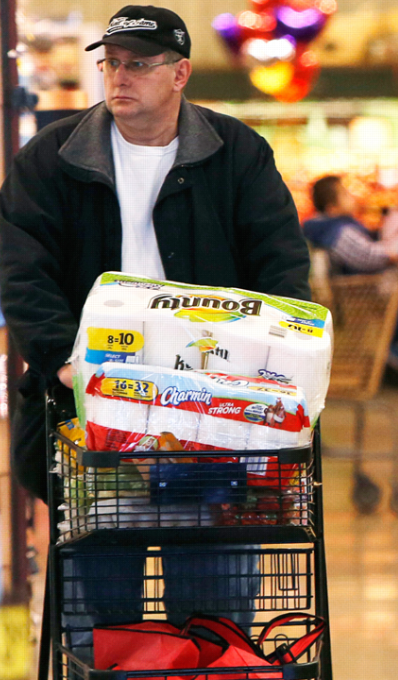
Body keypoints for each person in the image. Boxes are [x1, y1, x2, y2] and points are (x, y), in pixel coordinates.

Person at [0, 5, 308, 658]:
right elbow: (19, 269)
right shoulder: (49, 161)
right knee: (102, 622)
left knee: (214, 616)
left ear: (181, 74)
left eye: (139, 64)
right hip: (90, 421)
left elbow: (281, 268)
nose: (120, 77)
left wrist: (276, 369)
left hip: (214, 427)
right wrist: (60, 359)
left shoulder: (237, 154)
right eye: (111, 63)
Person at [303, 175, 398, 384]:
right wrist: (396, 250)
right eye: (345, 194)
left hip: (358, 303)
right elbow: (368, 257)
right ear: (332, 207)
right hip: (360, 303)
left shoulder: (332, 228)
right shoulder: (339, 230)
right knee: (396, 330)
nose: (352, 197)